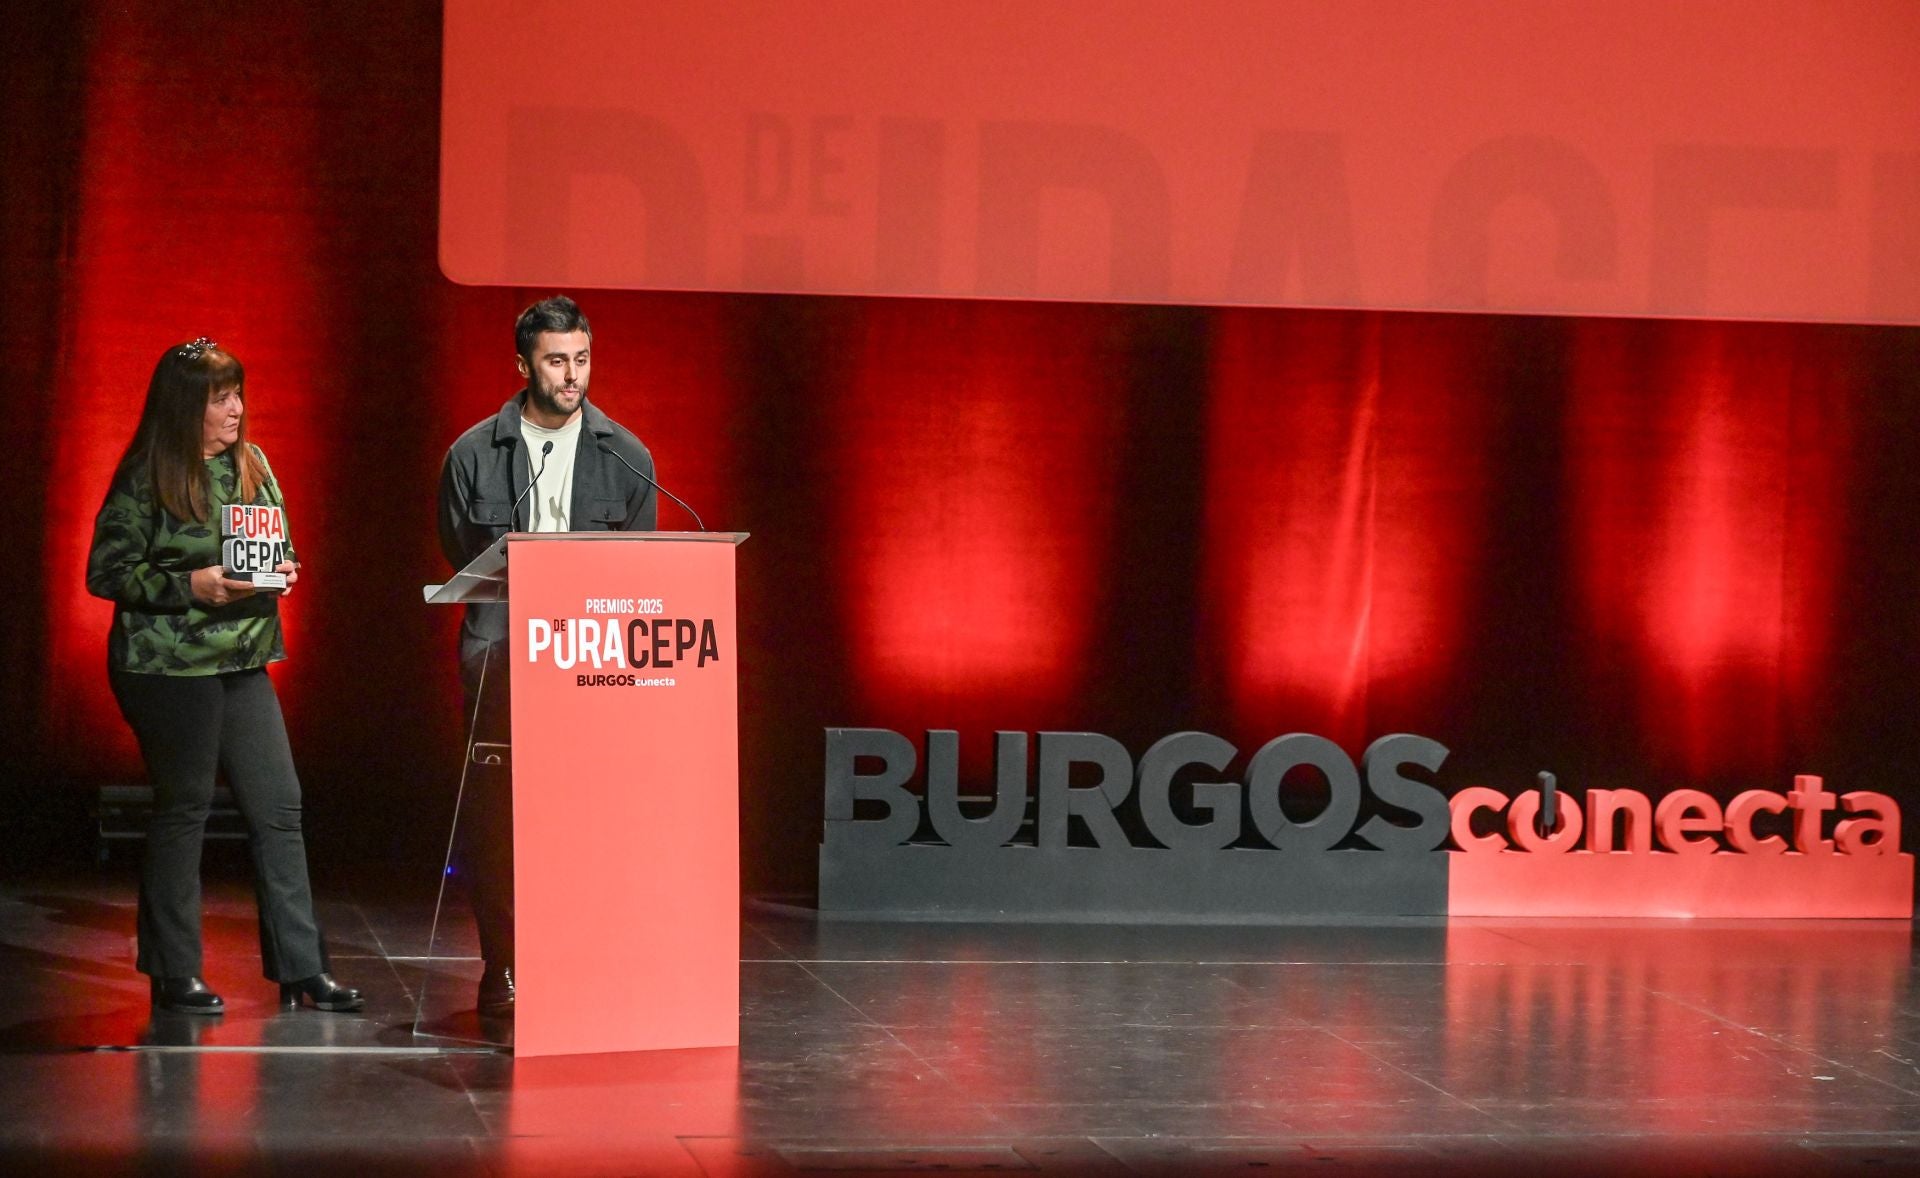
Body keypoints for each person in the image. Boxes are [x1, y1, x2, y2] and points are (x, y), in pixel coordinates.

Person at [86, 337, 363, 1015]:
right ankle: (173, 970)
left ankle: (302, 968)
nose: (236, 409)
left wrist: (284, 570)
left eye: (238, 395)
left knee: (279, 805)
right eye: (220, 399)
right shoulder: (148, 473)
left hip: (241, 656)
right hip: (167, 663)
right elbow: (107, 571)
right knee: (185, 804)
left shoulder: (253, 464)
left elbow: (278, 544)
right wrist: (191, 585)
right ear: (187, 407)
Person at [437, 296, 658, 1016]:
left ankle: (581, 957)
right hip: (502, 652)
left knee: (587, 815)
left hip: (589, 657)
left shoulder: (628, 457)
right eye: (557, 361)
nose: (572, 376)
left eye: (582, 360)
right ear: (523, 365)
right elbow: (459, 550)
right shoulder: (473, 454)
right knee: (500, 817)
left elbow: (639, 571)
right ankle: (503, 964)